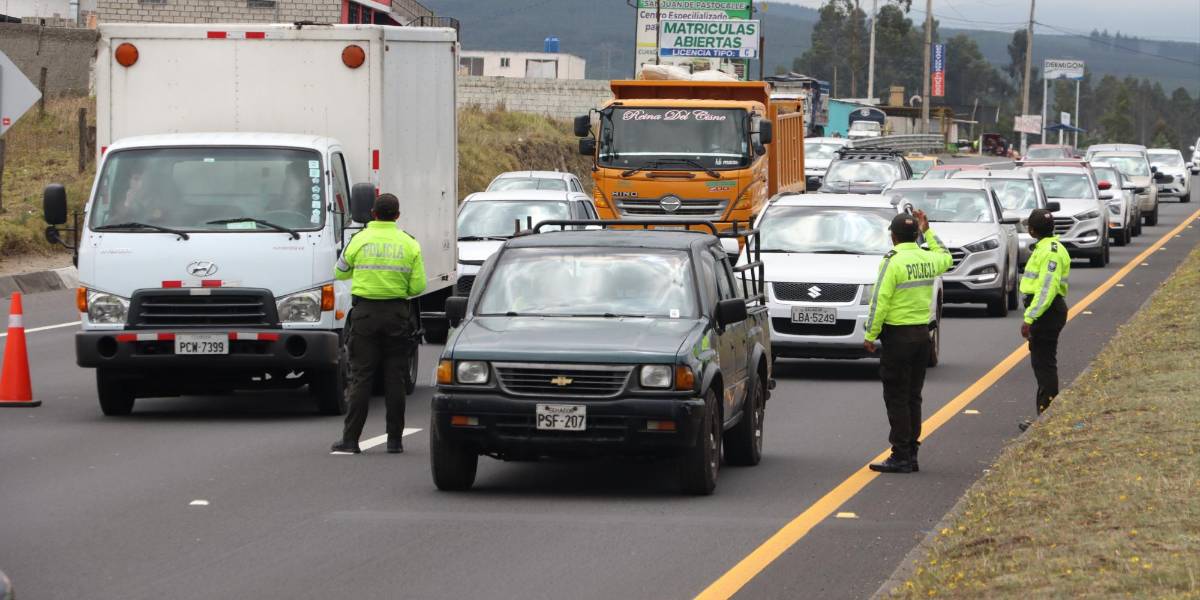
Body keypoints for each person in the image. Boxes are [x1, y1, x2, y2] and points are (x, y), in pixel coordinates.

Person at [330, 193, 426, 454]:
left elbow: (340, 271)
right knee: (395, 377)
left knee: (362, 377)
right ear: (397, 215)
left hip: (365, 315)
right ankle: (394, 441)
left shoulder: (358, 240)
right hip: (397, 315)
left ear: (373, 213)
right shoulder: (409, 244)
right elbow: (418, 286)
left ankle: (350, 439)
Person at [863, 210, 952, 473]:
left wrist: (870, 334)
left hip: (898, 337)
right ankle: (911, 451)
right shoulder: (928, 258)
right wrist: (929, 231)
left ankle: (901, 454)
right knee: (913, 396)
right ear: (916, 235)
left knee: (897, 397)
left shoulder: (893, 262)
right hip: (922, 336)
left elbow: (880, 301)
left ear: (893, 236)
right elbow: (947, 256)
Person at [1018, 208, 1071, 431]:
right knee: (1042, 363)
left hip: (1046, 312)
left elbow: (1047, 289)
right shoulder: (1050, 248)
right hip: (1047, 311)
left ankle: (1047, 418)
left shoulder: (1049, 252)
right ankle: (1045, 416)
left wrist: (1030, 317)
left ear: (1031, 230)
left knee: (1045, 365)